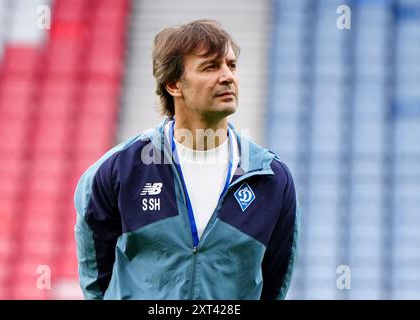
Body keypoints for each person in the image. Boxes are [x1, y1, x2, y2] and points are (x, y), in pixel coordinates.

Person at [74, 19, 299, 300]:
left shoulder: (271, 178)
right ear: (173, 84)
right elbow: (96, 280)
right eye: (211, 67)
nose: (228, 76)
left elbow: (274, 284)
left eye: (231, 65)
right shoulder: (118, 171)